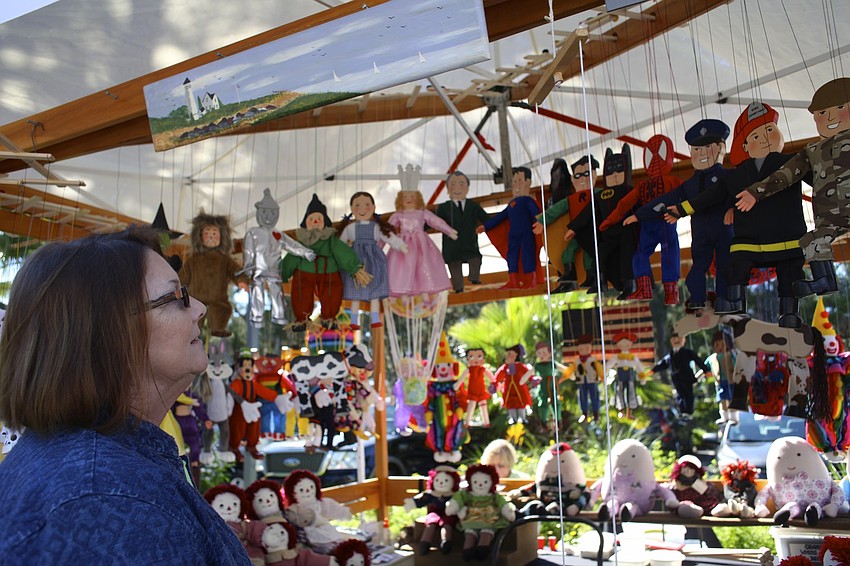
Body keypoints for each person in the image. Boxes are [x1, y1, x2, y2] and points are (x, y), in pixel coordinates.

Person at [0, 226, 251, 564]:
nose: (201, 308)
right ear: (111, 332)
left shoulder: (94, 469)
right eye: (176, 299)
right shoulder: (108, 503)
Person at [434, 171, 489, 293]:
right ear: (448, 189)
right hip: (452, 245)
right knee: (454, 266)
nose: (457, 188)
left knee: (475, 259)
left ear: (467, 188)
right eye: (453, 184)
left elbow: (486, 218)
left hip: (470, 243)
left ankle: (474, 277)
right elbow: (433, 221)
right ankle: (458, 287)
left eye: (461, 184)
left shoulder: (473, 206)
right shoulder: (443, 208)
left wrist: (495, 223)